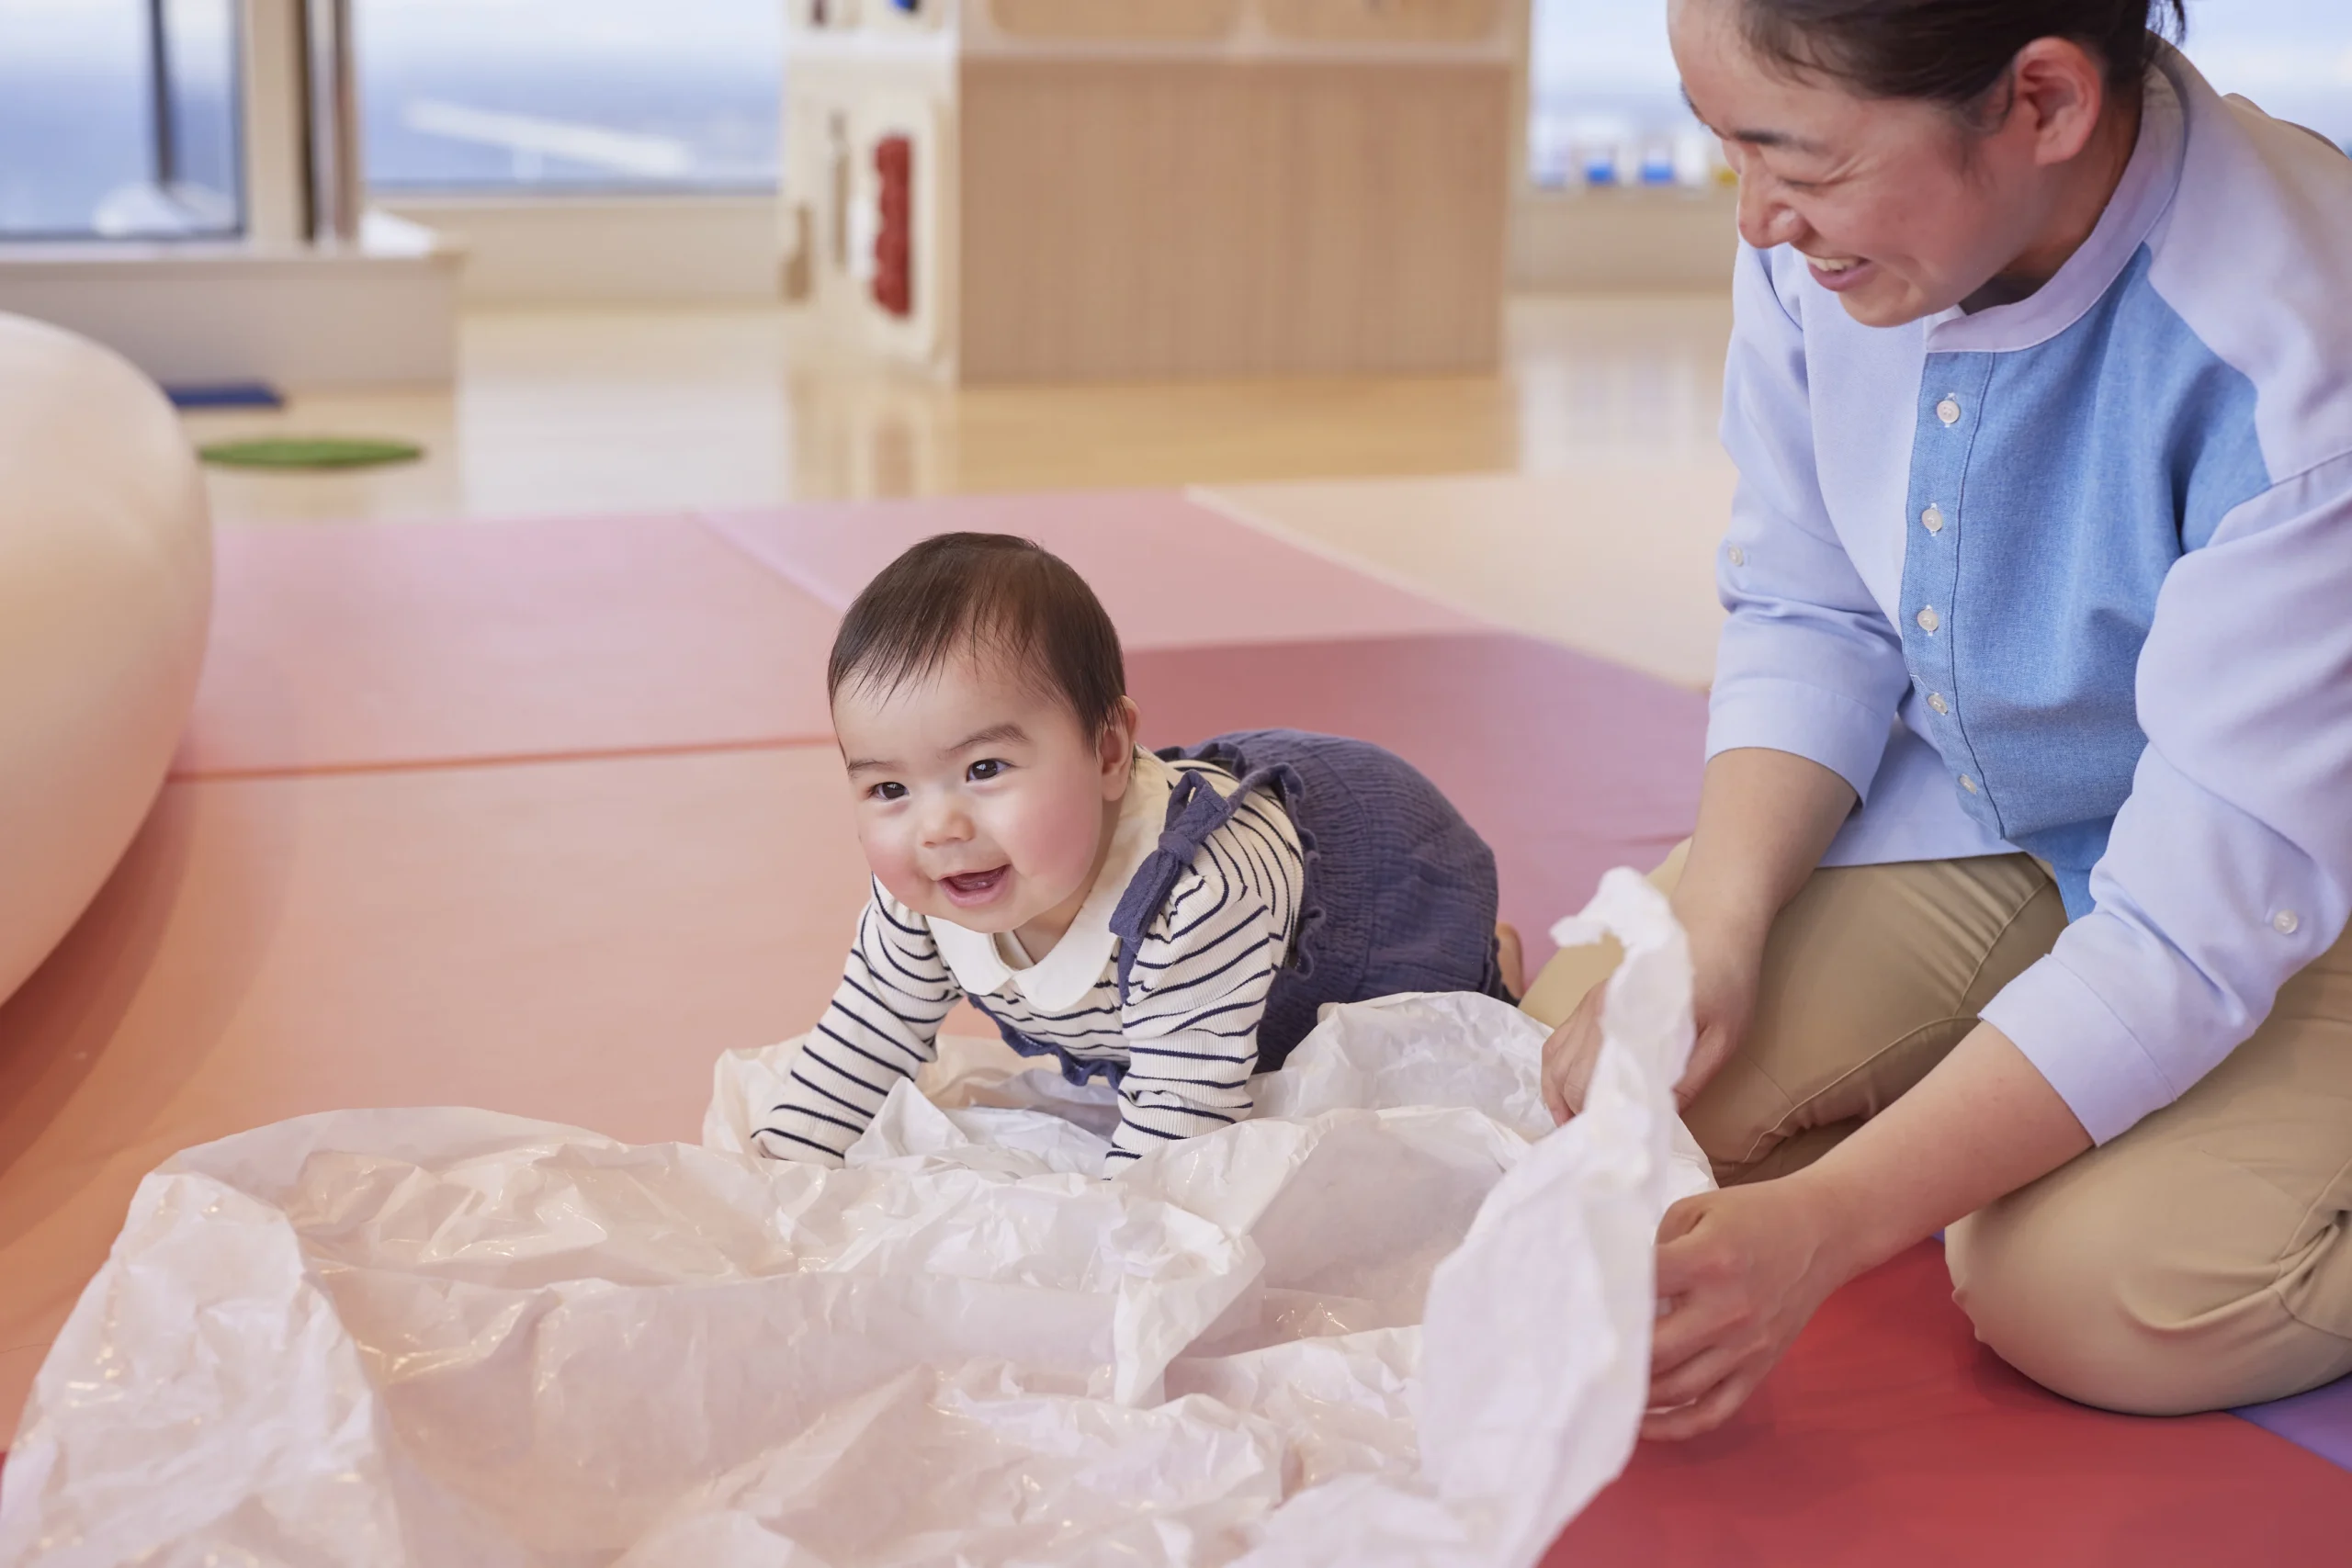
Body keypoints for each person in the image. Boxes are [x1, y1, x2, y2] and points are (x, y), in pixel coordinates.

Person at [1528, 0, 2352, 1438]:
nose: (1761, 218)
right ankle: (2019, 1099)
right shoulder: (1841, 248)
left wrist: (1831, 1222)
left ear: (2041, 101)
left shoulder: (2298, 348)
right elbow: (1812, 601)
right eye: (1729, 147)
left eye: (1800, 161)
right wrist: (1717, 920)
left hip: (2294, 885)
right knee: (1594, 1077)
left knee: (2099, 1296)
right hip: (2012, 814)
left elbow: (2192, 922)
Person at [755, 532, 1521, 1173]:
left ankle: (1489, 965)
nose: (938, 828)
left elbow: (1180, 1137)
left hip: (1379, 906)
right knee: (1195, 1048)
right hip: (1187, 1005)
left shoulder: (1195, 895)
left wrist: (1102, 1260)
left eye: (984, 770)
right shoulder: (926, 892)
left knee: (1427, 1070)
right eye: (889, 790)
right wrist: (773, 1179)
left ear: (1110, 750)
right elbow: (863, 1034)